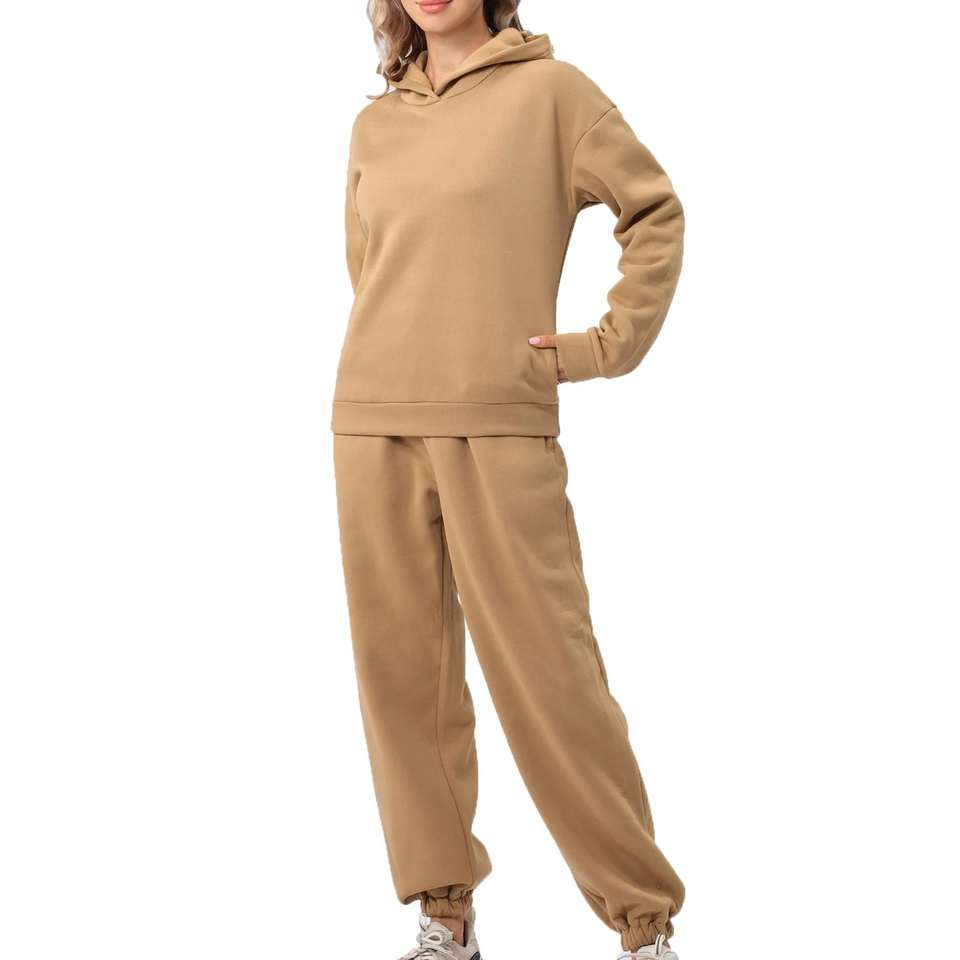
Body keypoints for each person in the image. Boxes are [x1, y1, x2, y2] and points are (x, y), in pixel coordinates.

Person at [333, 2, 686, 958]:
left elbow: (654, 213)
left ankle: (643, 923)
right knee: (403, 684)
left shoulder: (553, 95)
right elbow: (373, 271)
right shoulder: (375, 123)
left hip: (498, 418)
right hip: (372, 418)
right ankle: (445, 915)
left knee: (551, 676)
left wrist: (597, 348)